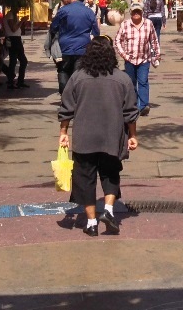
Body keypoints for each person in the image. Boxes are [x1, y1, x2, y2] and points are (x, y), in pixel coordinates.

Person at [58, 37, 139, 237]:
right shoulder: (122, 79)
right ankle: (109, 211)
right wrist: (133, 135)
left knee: (85, 179)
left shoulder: (77, 77)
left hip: (84, 137)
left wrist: (63, 133)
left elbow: (66, 108)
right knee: (110, 174)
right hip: (112, 136)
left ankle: (92, 222)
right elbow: (130, 112)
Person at [49, 0, 101, 94]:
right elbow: (96, 31)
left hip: (65, 48)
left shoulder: (63, 10)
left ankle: (65, 96)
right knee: (78, 73)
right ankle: (76, 97)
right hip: (82, 48)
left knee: (63, 70)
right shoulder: (89, 12)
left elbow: (53, 27)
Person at [115, 2, 161, 116]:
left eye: (138, 11)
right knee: (131, 82)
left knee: (143, 81)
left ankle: (144, 106)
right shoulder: (125, 25)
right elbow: (117, 41)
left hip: (144, 59)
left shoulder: (148, 24)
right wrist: (124, 55)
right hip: (129, 59)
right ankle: (133, 105)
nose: (136, 14)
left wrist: (157, 54)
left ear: (142, 13)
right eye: (134, 12)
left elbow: (154, 40)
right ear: (131, 13)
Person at [2, 11, 28, 90]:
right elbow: (13, 29)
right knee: (14, 61)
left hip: (16, 39)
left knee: (21, 61)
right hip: (13, 39)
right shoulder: (10, 15)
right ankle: (12, 82)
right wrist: (22, 21)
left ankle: (19, 81)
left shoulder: (13, 15)